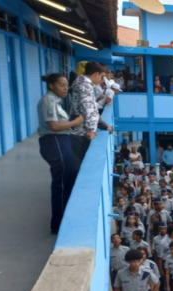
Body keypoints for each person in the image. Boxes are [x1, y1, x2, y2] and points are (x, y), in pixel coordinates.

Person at [37, 73, 84, 234]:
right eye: (62, 85)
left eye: (66, 85)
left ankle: (66, 218)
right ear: (52, 86)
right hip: (54, 141)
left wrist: (71, 125)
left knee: (69, 177)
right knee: (62, 182)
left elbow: (59, 124)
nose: (66, 88)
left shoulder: (55, 100)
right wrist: (76, 121)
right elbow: (54, 126)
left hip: (61, 141)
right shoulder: (49, 101)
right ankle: (59, 224)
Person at [69, 61, 112, 164]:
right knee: (81, 162)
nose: (102, 80)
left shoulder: (83, 82)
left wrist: (102, 124)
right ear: (96, 74)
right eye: (101, 76)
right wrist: (90, 130)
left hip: (81, 130)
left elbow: (91, 107)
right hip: (81, 132)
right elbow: (87, 109)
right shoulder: (84, 85)